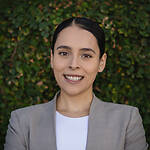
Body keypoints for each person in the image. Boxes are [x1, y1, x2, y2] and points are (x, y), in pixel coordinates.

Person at [4, 17, 148, 150]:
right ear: (52, 58)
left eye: (86, 55)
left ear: (101, 62)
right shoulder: (22, 122)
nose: (74, 65)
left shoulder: (127, 120)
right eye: (64, 53)